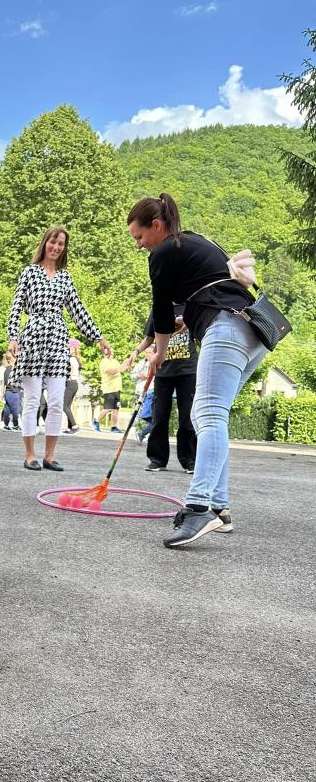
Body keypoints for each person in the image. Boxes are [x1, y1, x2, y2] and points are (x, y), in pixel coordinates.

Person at [128, 192, 265, 547]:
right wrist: (186, 320)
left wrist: (158, 354)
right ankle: (219, 509)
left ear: (156, 225)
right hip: (253, 332)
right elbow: (213, 287)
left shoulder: (164, 251)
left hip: (227, 328)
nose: (140, 245)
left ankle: (198, 507)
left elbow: (160, 310)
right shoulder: (194, 240)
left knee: (208, 414)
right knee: (212, 416)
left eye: (139, 237)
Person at [7, 225, 111, 471]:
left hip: (56, 340)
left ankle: (50, 455)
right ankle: (30, 455)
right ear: (45, 243)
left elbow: (77, 310)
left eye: (61, 244)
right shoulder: (30, 272)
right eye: (52, 242)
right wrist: (13, 336)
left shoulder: (65, 277)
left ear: (64, 248)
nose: (56, 247)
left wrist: (99, 337)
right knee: (32, 400)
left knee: (56, 401)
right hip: (33, 338)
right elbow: (16, 306)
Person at [128, 305, 198, 473]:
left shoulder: (192, 305)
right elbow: (149, 338)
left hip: (188, 370)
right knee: (159, 416)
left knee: (187, 418)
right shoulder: (159, 307)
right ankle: (157, 459)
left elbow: (201, 336)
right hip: (162, 370)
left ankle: (190, 460)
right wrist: (135, 352)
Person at [95, 349, 127, 433]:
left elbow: (122, 369)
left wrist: (127, 364)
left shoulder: (114, 361)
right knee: (108, 407)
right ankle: (96, 421)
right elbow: (111, 372)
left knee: (115, 409)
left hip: (117, 388)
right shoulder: (104, 362)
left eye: (112, 351)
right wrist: (121, 367)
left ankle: (113, 427)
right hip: (109, 389)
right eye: (110, 352)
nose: (112, 353)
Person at [62, 339, 82, 434]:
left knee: (63, 405)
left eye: (68, 347)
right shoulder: (75, 358)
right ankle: (70, 427)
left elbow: (72, 371)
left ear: (73, 348)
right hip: (73, 384)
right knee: (68, 406)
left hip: (70, 383)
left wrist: (67, 376)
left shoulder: (72, 359)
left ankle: (75, 426)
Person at [0, 352, 21, 431]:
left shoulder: (6, 370)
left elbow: (4, 383)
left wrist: (3, 392)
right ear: (11, 359)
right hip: (14, 391)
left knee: (7, 408)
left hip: (7, 391)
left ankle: (6, 424)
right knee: (15, 409)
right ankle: (15, 425)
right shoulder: (14, 369)